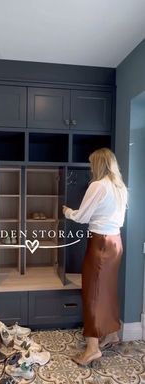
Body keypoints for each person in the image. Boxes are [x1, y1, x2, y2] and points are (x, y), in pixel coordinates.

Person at [63, 148, 128, 366]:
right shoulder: (120, 187)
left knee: (92, 291)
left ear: (99, 164)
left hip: (100, 244)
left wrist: (67, 211)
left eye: (92, 164)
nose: (91, 168)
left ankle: (92, 348)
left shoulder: (97, 186)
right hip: (116, 242)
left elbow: (82, 217)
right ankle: (112, 334)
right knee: (108, 290)